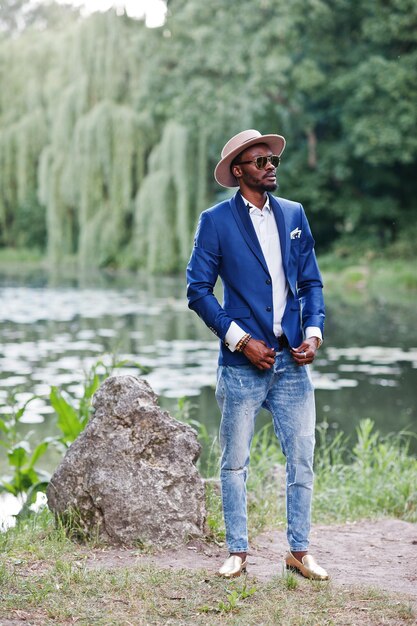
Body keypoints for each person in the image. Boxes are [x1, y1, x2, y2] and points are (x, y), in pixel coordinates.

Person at [186, 129, 329, 581]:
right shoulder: (215, 222)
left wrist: (313, 333)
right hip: (241, 365)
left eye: (273, 160)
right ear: (238, 170)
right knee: (234, 461)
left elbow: (310, 282)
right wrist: (240, 340)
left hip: (290, 362)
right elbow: (197, 291)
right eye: (260, 160)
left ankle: (299, 551)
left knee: (302, 457)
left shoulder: (294, 214)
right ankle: (237, 552)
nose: (270, 166)